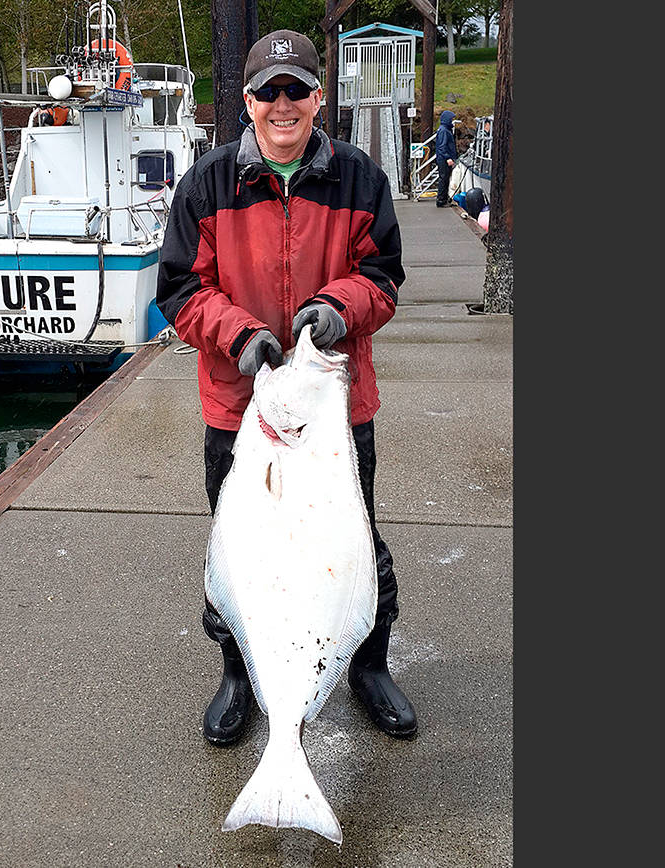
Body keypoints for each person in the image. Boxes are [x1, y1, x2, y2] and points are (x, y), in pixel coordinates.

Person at [156, 29, 417, 745]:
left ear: (317, 96)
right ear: (246, 100)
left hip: (334, 408)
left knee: (356, 544)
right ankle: (240, 673)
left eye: (295, 89)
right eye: (267, 91)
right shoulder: (206, 184)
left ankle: (368, 665)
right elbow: (179, 289)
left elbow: (384, 278)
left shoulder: (361, 178)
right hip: (240, 408)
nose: (281, 104)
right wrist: (239, 334)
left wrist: (338, 310)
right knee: (240, 552)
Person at [435, 109, 458, 207]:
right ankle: (441, 200)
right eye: (451, 119)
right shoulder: (444, 131)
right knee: (443, 179)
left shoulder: (444, 129)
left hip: (443, 158)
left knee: (445, 179)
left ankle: (444, 198)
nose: (452, 121)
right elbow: (442, 147)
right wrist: (448, 158)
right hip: (444, 160)